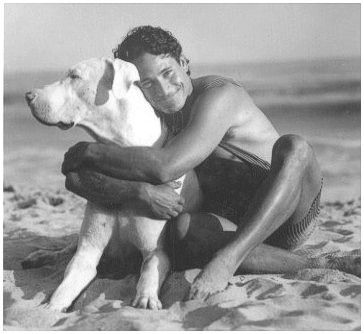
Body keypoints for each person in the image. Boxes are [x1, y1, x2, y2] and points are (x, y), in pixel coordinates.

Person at [62, 25, 355, 301]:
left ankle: (229, 258)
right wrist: (138, 192)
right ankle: (315, 262)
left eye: (167, 72)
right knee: (181, 229)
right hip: (232, 223)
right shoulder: (155, 120)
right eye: (148, 83)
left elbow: (165, 166)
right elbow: (75, 180)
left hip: (287, 214)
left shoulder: (218, 95)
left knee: (295, 146)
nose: (163, 89)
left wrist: (89, 151)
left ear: (185, 62)